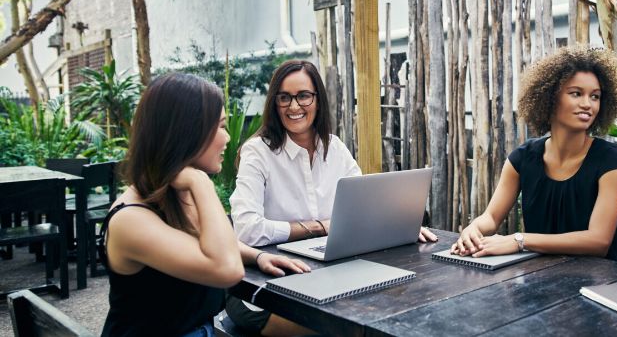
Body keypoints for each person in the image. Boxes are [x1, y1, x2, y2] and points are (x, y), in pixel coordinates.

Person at [228, 59, 437, 334]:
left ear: (318, 100)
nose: (294, 106)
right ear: (274, 102)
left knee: (400, 303)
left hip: (330, 274)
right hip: (265, 288)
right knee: (350, 327)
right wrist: (318, 227)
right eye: (284, 98)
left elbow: (366, 207)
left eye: (303, 96)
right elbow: (247, 230)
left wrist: (398, 225)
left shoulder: (334, 148)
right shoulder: (258, 152)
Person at [100, 73, 309, 337]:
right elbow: (227, 270)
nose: (229, 139)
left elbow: (207, 241)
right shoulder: (131, 220)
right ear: (187, 131)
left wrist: (257, 256)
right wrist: (201, 183)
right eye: (221, 126)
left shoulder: (174, 196)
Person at [452, 46, 617, 259]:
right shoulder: (523, 158)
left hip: (597, 283)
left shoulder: (609, 159)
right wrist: (474, 229)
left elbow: (598, 241)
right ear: (550, 97)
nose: (587, 104)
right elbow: (491, 216)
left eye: (595, 97)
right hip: (538, 277)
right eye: (576, 94)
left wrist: (520, 241)